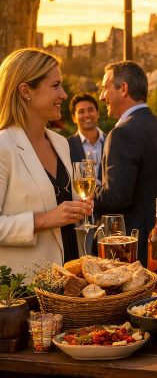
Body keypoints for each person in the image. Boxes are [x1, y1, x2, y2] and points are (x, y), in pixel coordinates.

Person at [0, 49, 92, 274]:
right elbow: (50, 217)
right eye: (55, 86)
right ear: (25, 90)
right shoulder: (3, 146)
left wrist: (80, 209)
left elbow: (62, 210)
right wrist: (43, 220)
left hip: (71, 279)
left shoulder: (60, 143)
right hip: (27, 288)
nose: (64, 94)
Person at [94, 61, 157, 265]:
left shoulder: (122, 133)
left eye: (105, 88)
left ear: (123, 88)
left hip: (138, 247)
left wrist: (90, 195)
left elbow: (117, 197)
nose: (101, 96)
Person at [67, 93, 105, 183]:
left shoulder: (112, 142)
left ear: (98, 113)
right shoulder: (65, 146)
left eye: (90, 110)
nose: (87, 115)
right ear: (73, 118)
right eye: (81, 112)